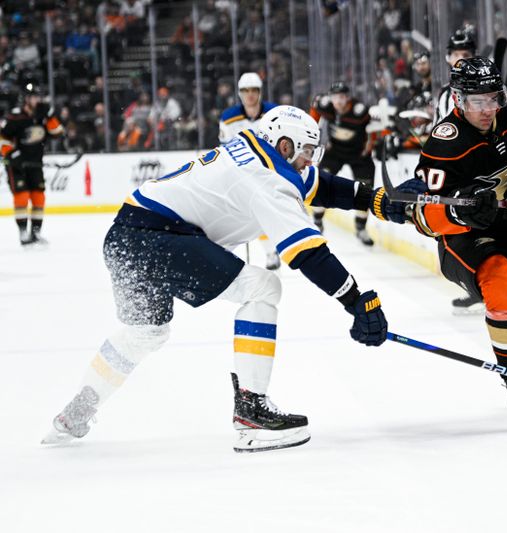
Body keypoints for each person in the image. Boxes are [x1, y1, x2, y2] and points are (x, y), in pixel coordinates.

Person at [42, 106, 388, 452]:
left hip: (123, 239)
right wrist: (355, 300)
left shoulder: (252, 146)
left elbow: (321, 185)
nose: (310, 161)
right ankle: (252, 409)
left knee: (146, 331)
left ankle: (79, 408)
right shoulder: (266, 178)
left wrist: (375, 200)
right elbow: (307, 252)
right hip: (156, 237)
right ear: (285, 146)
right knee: (263, 287)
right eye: (307, 151)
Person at [370, 58, 507, 429]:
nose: (487, 109)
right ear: (458, 99)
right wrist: (459, 214)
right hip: (466, 241)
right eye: (477, 102)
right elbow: (425, 217)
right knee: (505, 284)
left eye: (493, 99)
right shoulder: (444, 143)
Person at [432, 27, 483, 315]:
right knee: (458, 234)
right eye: (456, 55)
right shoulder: (444, 94)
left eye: (467, 54)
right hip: (457, 173)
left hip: (484, 170)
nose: (461, 59)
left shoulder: (489, 86)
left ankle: (494, 289)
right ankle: (480, 287)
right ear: (448, 58)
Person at [219, 72, 281, 269]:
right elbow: (225, 149)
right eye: (246, 91)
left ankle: (271, 252)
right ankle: (226, 256)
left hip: (269, 173)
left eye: (254, 90)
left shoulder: (274, 113)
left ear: (260, 92)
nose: (250, 95)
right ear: (240, 93)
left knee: (262, 215)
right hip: (241, 175)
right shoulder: (228, 118)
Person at [309, 81, 376, 246]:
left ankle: (361, 228)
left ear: (348, 98)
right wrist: (310, 135)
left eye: (342, 97)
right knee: (320, 182)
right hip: (335, 151)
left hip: (358, 154)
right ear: (330, 98)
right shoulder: (324, 105)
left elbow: (373, 129)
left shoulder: (360, 111)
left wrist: (370, 147)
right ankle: (317, 222)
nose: (338, 101)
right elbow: (313, 113)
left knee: (365, 189)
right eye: (335, 97)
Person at [0, 83, 63, 245]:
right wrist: (12, 154)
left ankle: (35, 233)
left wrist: (50, 117)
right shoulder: (15, 117)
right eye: (34, 97)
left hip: (35, 164)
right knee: (22, 196)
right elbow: (2, 139)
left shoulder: (42, 116)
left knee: (38, 197)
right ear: (26, 99)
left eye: (38, 97)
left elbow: (58, 134)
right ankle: (22, 232)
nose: (38, 100)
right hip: (17, 165)